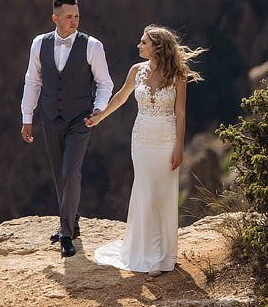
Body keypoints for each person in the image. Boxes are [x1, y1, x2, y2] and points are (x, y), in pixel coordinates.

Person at [87, 24, 203, 276]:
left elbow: (180, 112)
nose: (138, 46)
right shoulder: (136, 71)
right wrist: (99, 118)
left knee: (162, 196)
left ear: (156, 47)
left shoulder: (177, 73)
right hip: (141, 140)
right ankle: (150, 257)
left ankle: (163, 255)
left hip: (166, 140)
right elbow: (120, 97)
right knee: (146, 194)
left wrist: (180, 146)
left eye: (143, 43)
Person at [21, 0, 113, 259]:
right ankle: (72, 222)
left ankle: (66, 234)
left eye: (77, 16)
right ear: (55, 18)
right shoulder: (39, 44)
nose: (74, 21)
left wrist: (99, 109)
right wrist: (27, 117)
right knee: (59, 173)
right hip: (49, 117)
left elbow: (105, 83)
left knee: (71, 172)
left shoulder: (92, 46)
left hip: (80, 119)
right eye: (69, 16)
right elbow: (32, 81)